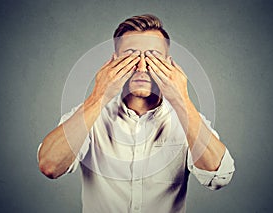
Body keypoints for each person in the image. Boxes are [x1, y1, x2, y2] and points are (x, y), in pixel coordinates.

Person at [38, 14, 235, 213]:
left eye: (153, 57)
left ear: (168, 64)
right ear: (113, 62)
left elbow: (219, 176)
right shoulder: (89, 117)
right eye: (130, 56)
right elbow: (50, 166)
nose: (142, 67)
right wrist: (99, 96)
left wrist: (181, 100)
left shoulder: (187, 120)